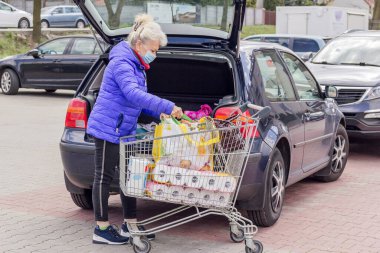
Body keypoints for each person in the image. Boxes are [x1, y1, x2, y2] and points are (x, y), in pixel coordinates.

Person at [86, 13, 183, 245]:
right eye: (153, 49)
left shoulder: (137, 64)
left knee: (130, 177)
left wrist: (156, 113)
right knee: (103, 177)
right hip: (109, 127)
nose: (155, 54)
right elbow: (132, 93)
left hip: (124, 129)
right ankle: (101, 229)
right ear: (139, 44)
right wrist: (168, 106)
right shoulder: (122, 62)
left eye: (157, 50)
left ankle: (130, 223)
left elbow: (135, 102)